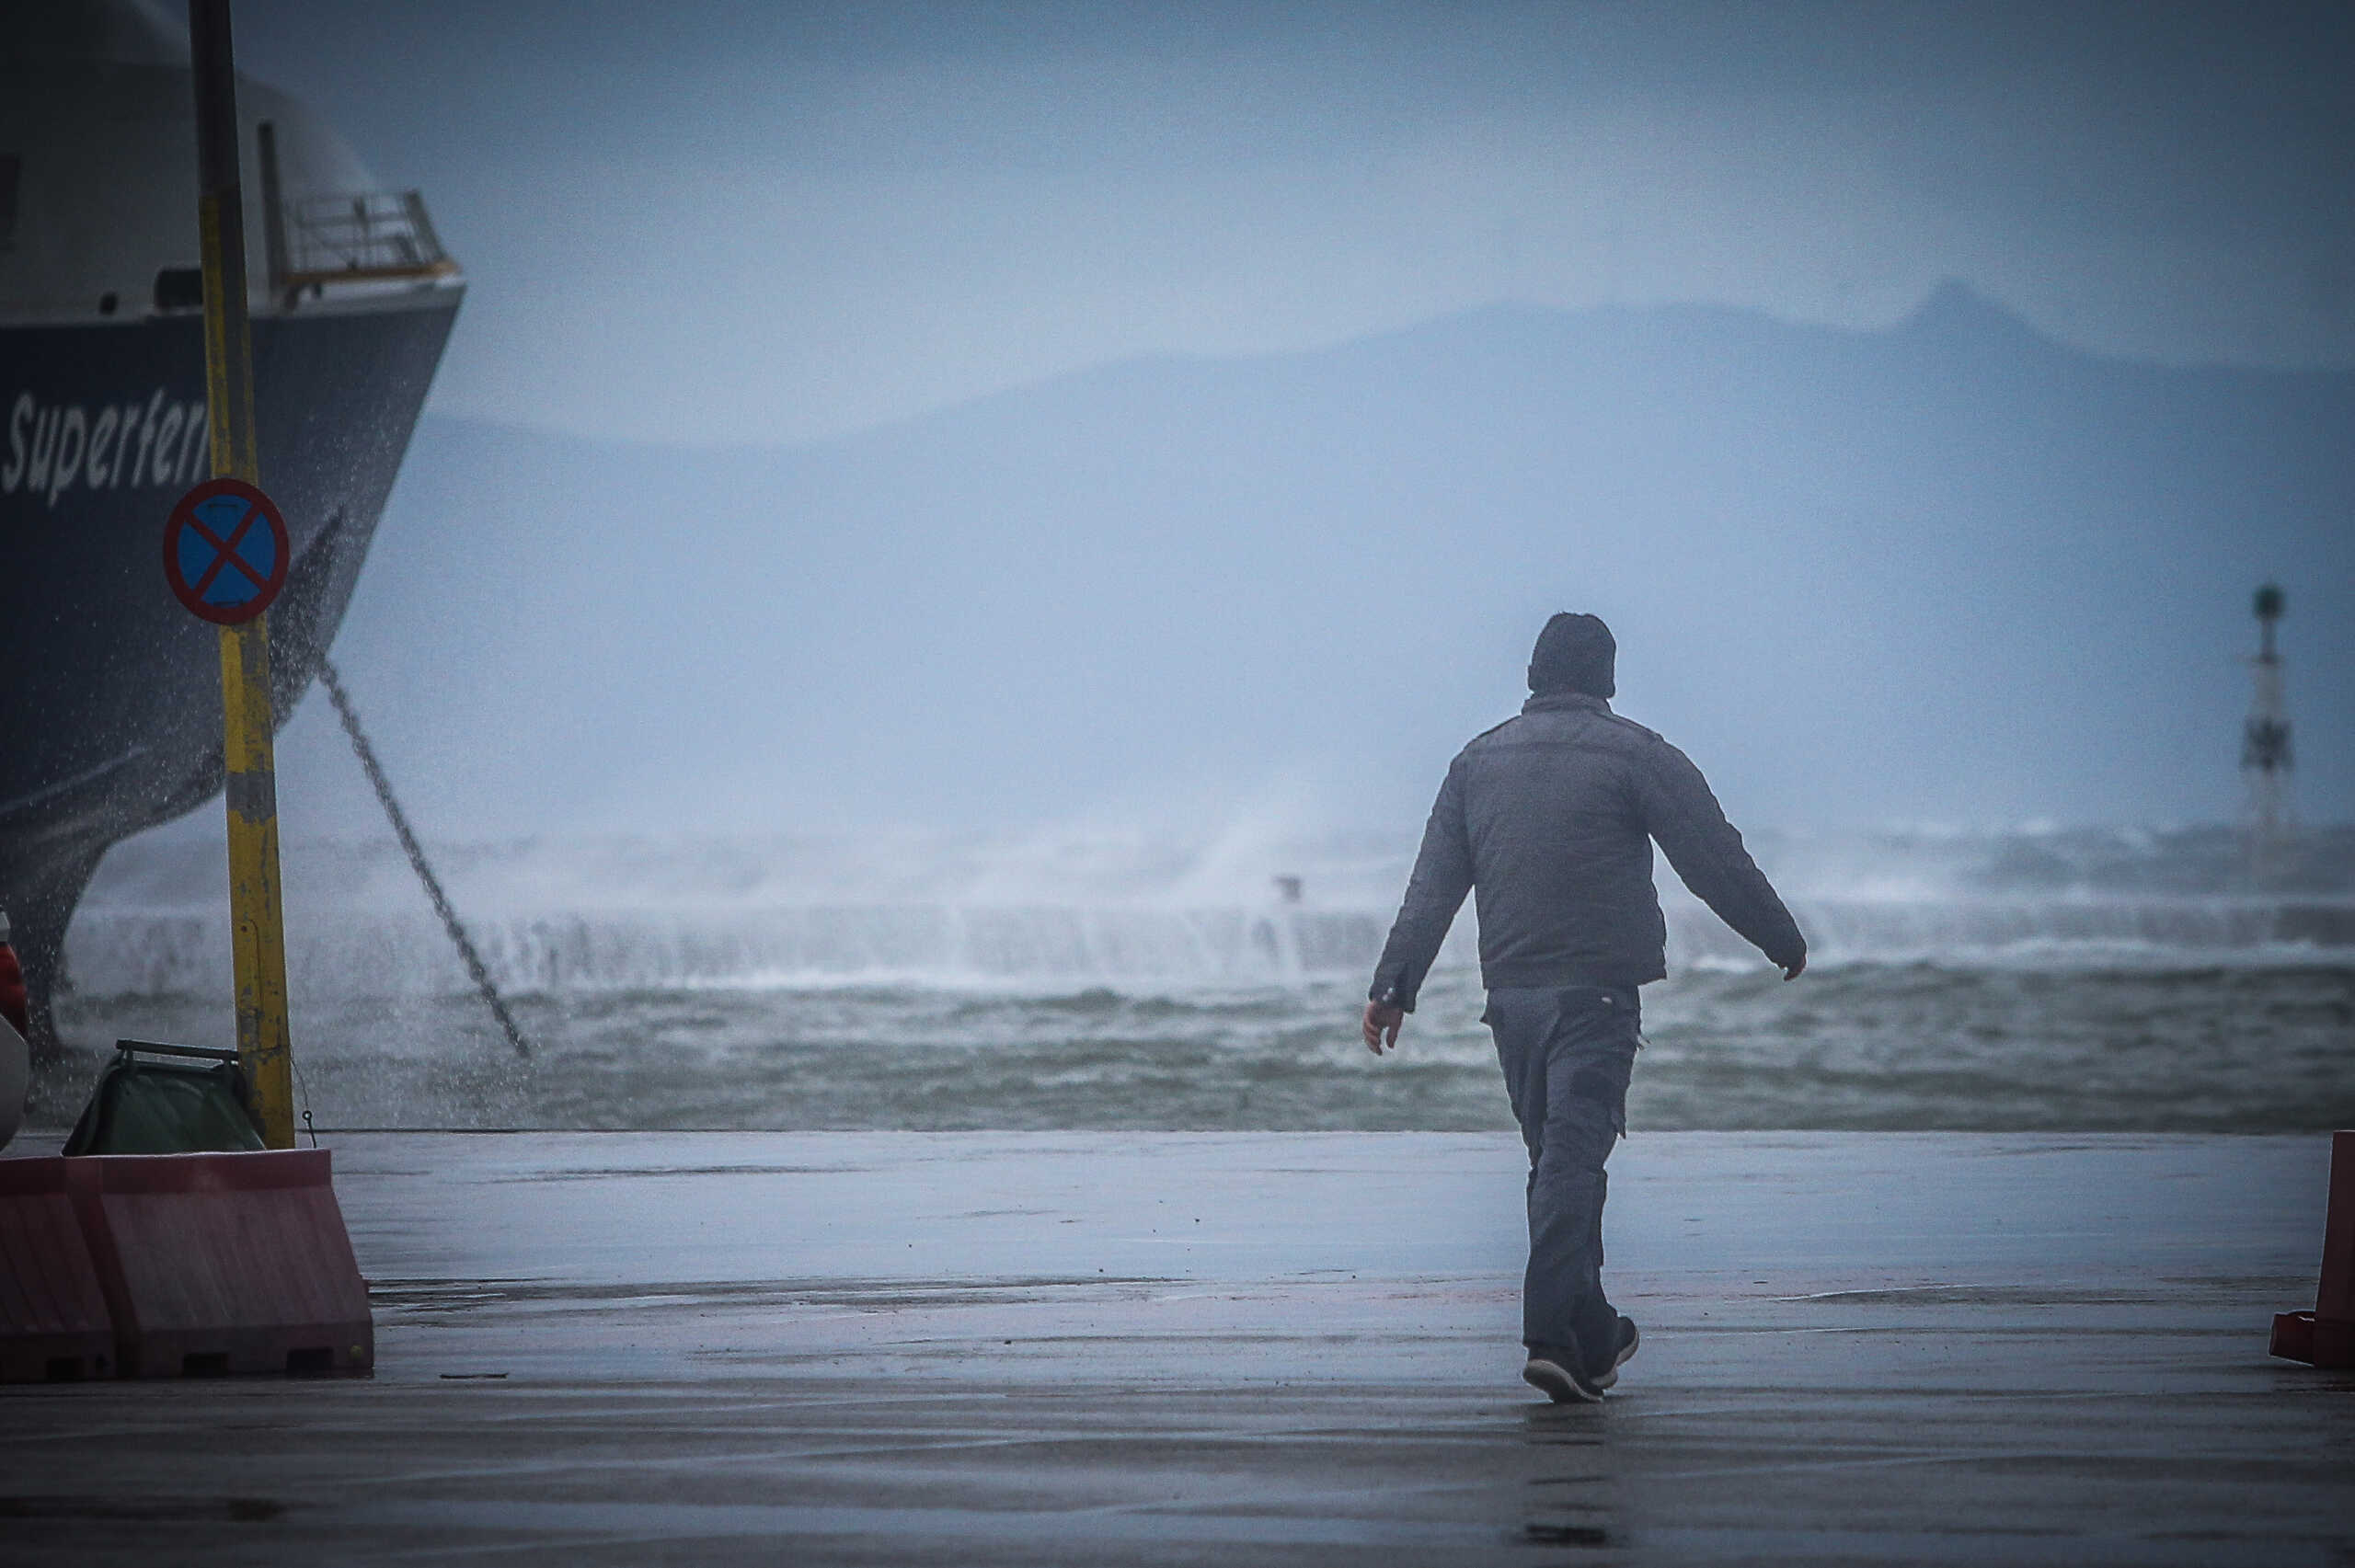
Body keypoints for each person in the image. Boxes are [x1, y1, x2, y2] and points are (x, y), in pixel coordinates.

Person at [1362, 612, 1806, 1403]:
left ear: (1534, 675)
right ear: (1605, 678)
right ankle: (1550, 1333)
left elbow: (1431, 888)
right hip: (1596, 995)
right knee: (1572, 1161)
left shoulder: (1475, 762)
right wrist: (1778, 935)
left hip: (1511, 1000)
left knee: (1559, 1162)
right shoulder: (1635, 753)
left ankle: (1591, 1334)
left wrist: (1393, 987)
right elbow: (1713, 857)